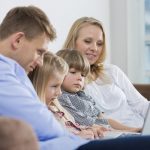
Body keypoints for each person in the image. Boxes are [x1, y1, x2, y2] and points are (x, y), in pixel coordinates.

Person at [0, 6, 150, 150]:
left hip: (78, 141)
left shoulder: (17, 72)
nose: (40, 61)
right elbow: (42, 122)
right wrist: (77, 134)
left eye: (99, 43)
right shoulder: (5, 73)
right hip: (75, 144)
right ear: (18, 40)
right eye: (39, 52)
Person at [62, 17, 149, 128]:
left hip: (141, 127)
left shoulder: (112, 71)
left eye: (99, 43)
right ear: (73, 42)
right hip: (116, 135)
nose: (95, 48)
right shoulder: (67, 79)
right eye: (87, 41)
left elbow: (141, 104)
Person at [57, 49, 141, 132]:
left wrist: (101, 117)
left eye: (83, 75)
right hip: (88, 127)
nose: (80, 78)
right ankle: (127, 132)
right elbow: (77, 118)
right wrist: (102, 127)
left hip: (99, 123)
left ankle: (131, 130)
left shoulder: (82, 94)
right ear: (58, 73)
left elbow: (97, 111)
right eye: (73, 72)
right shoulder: (62, 97)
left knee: (109, 121)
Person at [28, 51, 108, 139]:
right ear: (38, 84)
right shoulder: (39, 115)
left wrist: (89, 129)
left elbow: (71, 126)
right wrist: (78, 138)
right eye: (54, 86)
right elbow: (52, 140)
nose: (59, 92)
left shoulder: (56, 107)